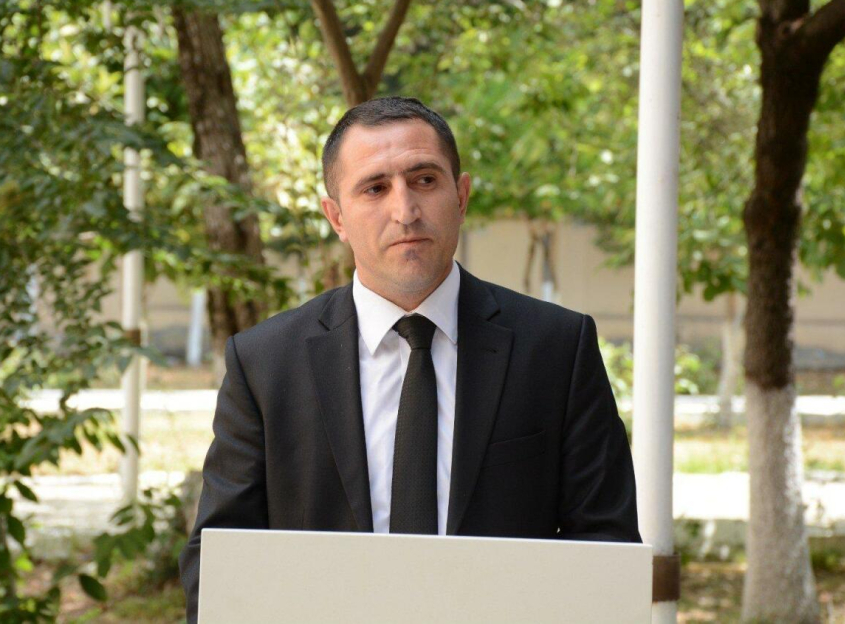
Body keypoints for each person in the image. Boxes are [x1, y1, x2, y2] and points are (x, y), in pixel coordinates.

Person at [179, 96, 640, 621]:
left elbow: (606, 544)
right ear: (336, 217)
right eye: (375, 188)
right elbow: (220, 562)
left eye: (424, 180)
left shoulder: (557, 348)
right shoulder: (264, 362)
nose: (405, 210)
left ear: (461, 195)